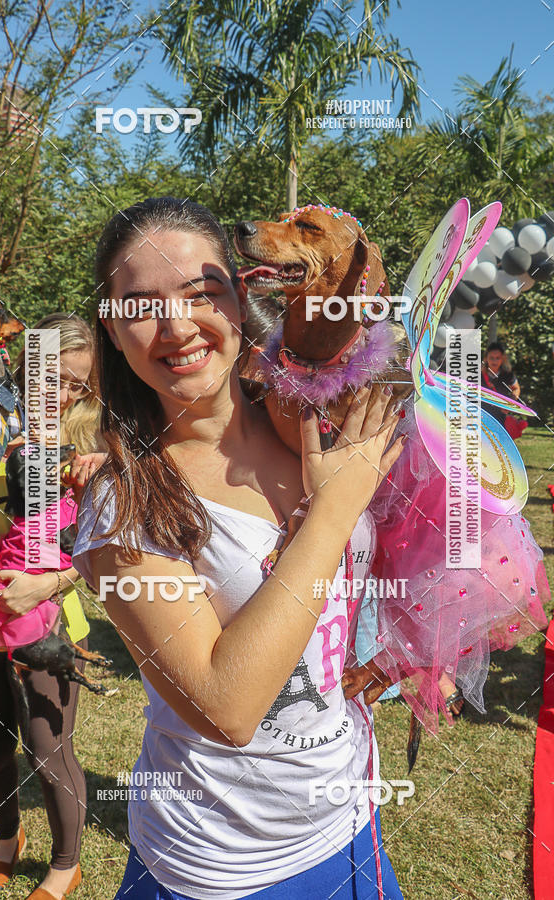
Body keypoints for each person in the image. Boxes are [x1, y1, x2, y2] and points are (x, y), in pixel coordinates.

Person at [73, 196, 407, 899]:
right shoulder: (123, 505)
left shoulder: (309, 424)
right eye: (140, 305)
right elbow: (228, 709)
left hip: (351, 822)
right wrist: (331, 514)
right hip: (224, 867)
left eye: (202, 292)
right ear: (112, 325)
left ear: (240, 296)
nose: (177, 326)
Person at [0, 313, 101, 900]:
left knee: (47, 750)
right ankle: (6, 839)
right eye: (53, 377)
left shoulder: (96, 450)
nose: (62, 394)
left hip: (51, 622)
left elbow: (112, 552)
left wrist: (49, 585)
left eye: (77, 385)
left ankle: (66, 864)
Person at [481, 341, 521, 426]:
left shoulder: (508, 375)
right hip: (481, 415)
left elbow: (516, 388)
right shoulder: (477, 374)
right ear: (486, 359)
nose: (494, 361)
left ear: (502, 359)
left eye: (497, 358)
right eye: (491, 358)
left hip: (500, 417)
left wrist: (510, 404)